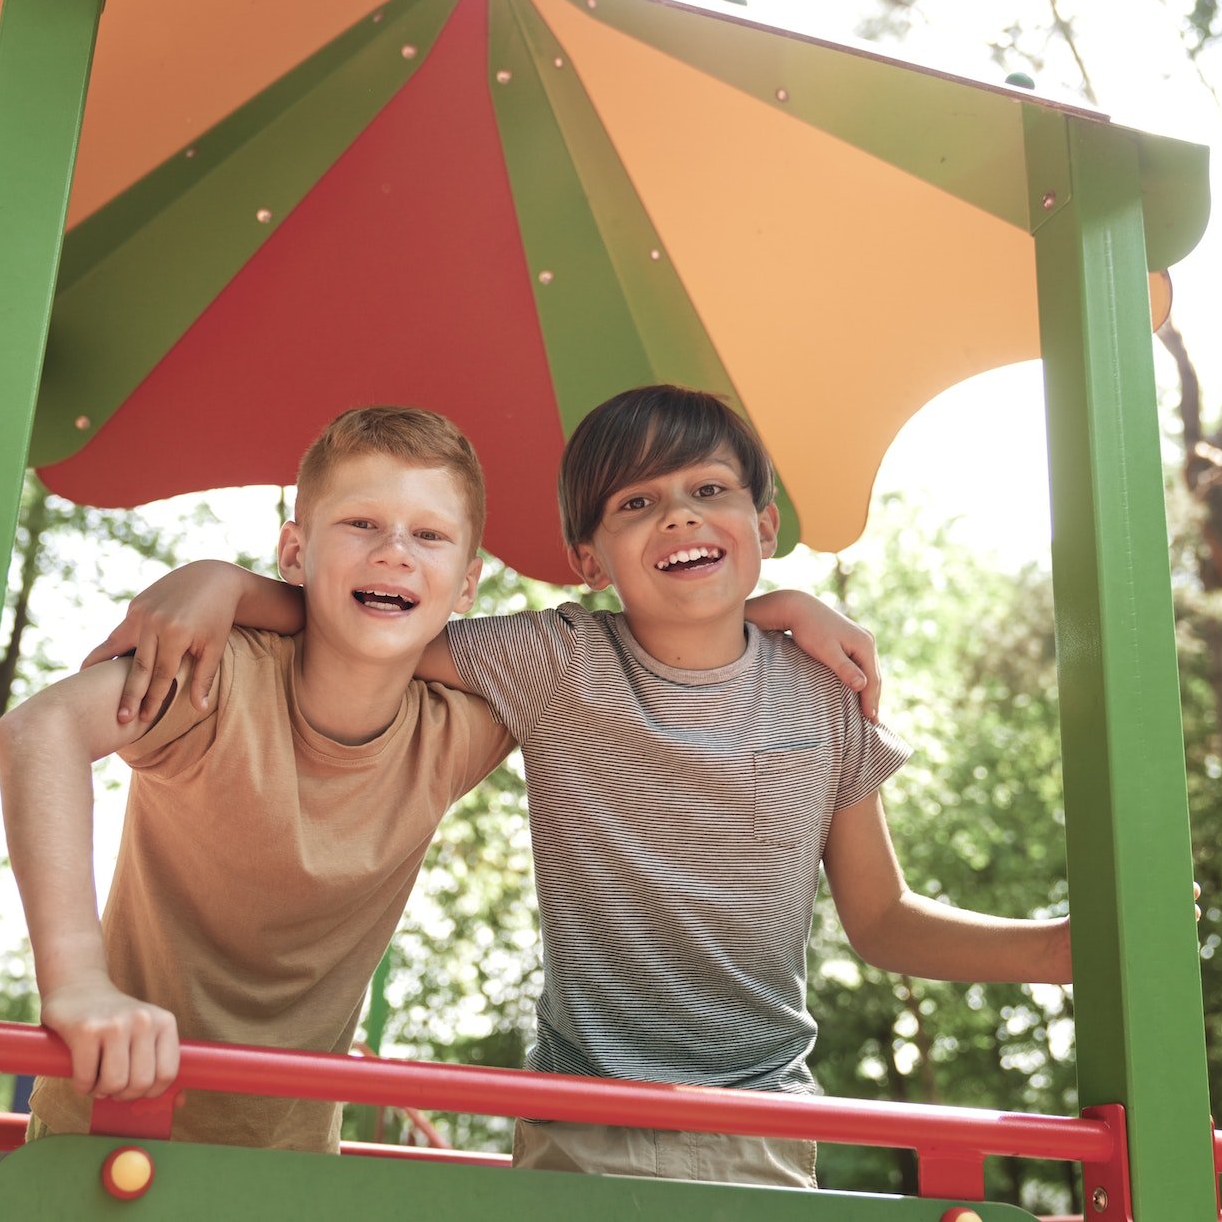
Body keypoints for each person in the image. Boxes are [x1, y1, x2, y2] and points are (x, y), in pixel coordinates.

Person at [88, 385, 1068, 1188]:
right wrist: (221, 580)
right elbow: (375, 615)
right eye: (634, 503)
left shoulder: (822, 691)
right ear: (585, 560)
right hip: (579, 1129)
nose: (678, 513)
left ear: (762, 524)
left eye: (707, 490)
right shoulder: (555, 663)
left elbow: (882, 917)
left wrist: (1060, 948)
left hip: (759, 1126)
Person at [0, 405, 519, 1152]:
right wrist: (78, 984)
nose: (396, 552)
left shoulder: (456, 729)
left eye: (428, 534)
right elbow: (38, 729)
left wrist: (231, 582)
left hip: (292, 1158)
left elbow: (631, 663)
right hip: (107, 1126)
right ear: (294, 553)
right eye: (362, 523)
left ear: (466, 585)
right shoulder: (213, 677)